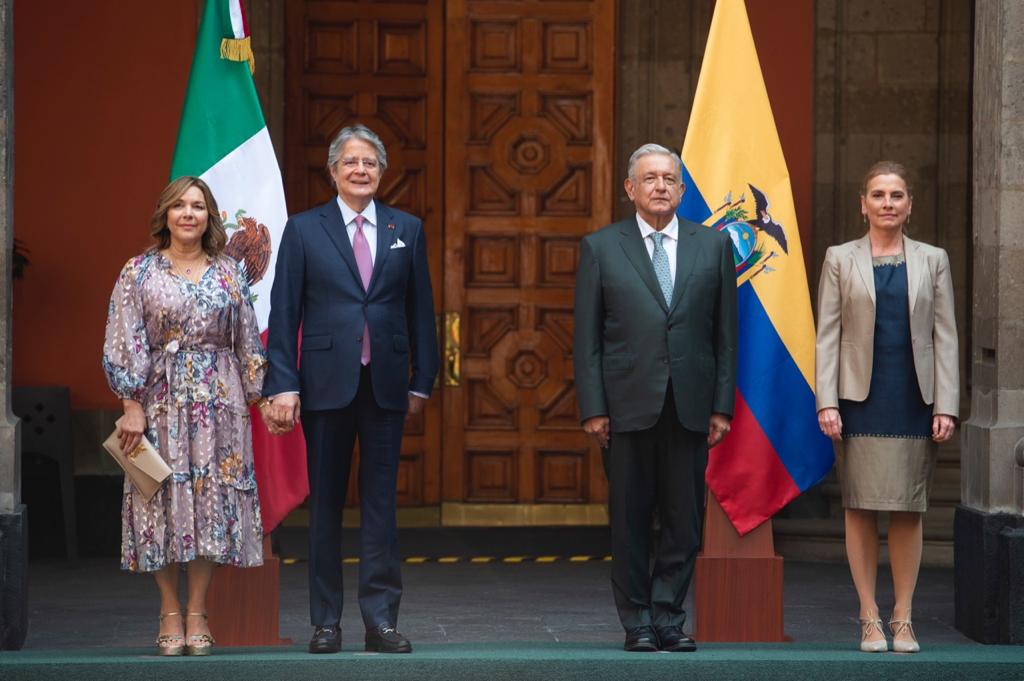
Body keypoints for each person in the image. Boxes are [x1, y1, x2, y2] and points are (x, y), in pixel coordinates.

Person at [262, 123, 438, 655]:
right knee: (326, 507)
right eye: (351, 162)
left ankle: (381, 620)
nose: (361, 170)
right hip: (323, 385)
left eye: (370, 163)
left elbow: (420, 310)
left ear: (382, 172)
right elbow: (284, 311)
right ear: (333, 171)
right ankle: (325, 622)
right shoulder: (303, 229)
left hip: (385, 384)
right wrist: (283, 383)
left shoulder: (407, 228)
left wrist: (422, 381)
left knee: (381, 505)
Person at [573, 143, 738, 652]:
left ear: (682, 190)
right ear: (630, 188)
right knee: (630, 520)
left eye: (669, 178)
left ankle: (668, 617)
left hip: (690, 405)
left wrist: (721, 405)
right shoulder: (601, 247)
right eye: (649, 178)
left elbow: (725, 335)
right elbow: (587, 338)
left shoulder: (713, 246)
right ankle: (637, 622)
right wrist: (594, 408)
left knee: (684, 521)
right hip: (625, 407)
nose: (660, 186)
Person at [103, 176, 273, 656]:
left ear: (209, 216)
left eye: (198, 206)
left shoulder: (229, 272)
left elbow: (247, 340)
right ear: (165, 214)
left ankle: (198, 610)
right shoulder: (138, 272)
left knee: (210, 503)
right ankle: (168, 609)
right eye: (179, 206)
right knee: (157, 498)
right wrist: (130, 404)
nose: (188, 214)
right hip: (158, 402)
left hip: (220, 405)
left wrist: (261, 399)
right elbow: (124, 339)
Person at [815, 161, 959, 654]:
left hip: (913, 400)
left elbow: (945, 336)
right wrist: (826, 401)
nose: (887, 203)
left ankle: (903, 616)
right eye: (878, 195)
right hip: (858, 401)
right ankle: (868, 616)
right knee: (859, 506)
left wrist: (947, 405)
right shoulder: (839, 258)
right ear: (863, 204)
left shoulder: (933, 259)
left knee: (907, 508)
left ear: (910, 204)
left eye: (896, 195)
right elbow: (827, 335)